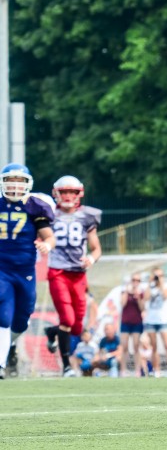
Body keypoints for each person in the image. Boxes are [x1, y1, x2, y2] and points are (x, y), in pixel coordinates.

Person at [0, 163, 55, 380]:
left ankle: (9, 345)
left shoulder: (35, 206)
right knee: (3, 315)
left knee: (22, 319)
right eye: (10, 180)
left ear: (27, 184)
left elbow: (49, 236)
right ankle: (1, 363)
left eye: (19, 181)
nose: (14, 185)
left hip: (25, 271)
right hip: (2, 268)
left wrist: (47, 246)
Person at [44, 175, 102, 378]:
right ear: (56, 193)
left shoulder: (88, 216)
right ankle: (67, 366)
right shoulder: (49, 214)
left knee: (76, 327)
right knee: (67, 319)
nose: (68, 196)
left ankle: (52, 332)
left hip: (78, 275)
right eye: (64, 191)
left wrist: (91, 259)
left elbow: (96, 249)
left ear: (79, 194)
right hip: (58, 272)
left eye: (72, 192)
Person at [143, 267, 167, 377]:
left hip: (163, 320)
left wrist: (161, 283)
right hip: (151, 320)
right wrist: (150, 283)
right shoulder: (150, 287)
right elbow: (146, 298)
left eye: (160, 275)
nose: (158, 278)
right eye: (156, 276)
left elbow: (166, 295)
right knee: (154, 347)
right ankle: (156, 370)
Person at [119, 274, 146, 377]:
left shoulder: (141, 293)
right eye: (134, 280)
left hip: (137, 322)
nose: (135, 282)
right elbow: (123, 303)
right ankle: (123, 370)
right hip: (125, 322)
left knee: (136, 346)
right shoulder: (125, 292)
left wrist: (138, 297)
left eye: (138, 280)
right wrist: (127, 291)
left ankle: (137, 370)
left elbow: (142, 308)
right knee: (124, 346)